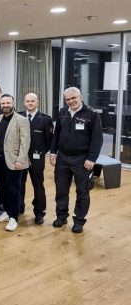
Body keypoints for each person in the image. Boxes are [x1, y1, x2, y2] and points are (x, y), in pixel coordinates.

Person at [49, 87, 103, 233]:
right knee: (61, 190)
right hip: (63, 158)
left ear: (81, 97)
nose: (71, 101)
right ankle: (61, 216)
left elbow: (97, 139)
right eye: (68, 99)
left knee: (83, 191)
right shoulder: (62, 113)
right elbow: (56, 134)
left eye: (74, 98)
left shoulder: (92, 114)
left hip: (82, 159)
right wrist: (53, 152)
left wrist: (91, 159)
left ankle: (79, 220)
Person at [0, 94, 30, 231]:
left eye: (8, 103)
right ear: (0, 105)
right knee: (2, 189)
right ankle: (7, 213)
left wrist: (21, 159)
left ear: (13, 104)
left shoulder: (22, 120)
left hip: (15, 162)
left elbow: (25, 142)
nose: (6, 105)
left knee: (14, 189)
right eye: (3, 103)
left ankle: (14, 217)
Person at [19, 93, 53, 224]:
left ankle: (39, 213)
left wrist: (40, 153)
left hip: (36, 158)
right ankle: (19, 207)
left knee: (38, 185)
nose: (30, 103)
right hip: (20, 157)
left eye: (33, 101)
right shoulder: (18, 116)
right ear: (24, 102)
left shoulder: (45, 120)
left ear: (37, 102)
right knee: (19, 184)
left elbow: (49, 141)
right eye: (27, 101)